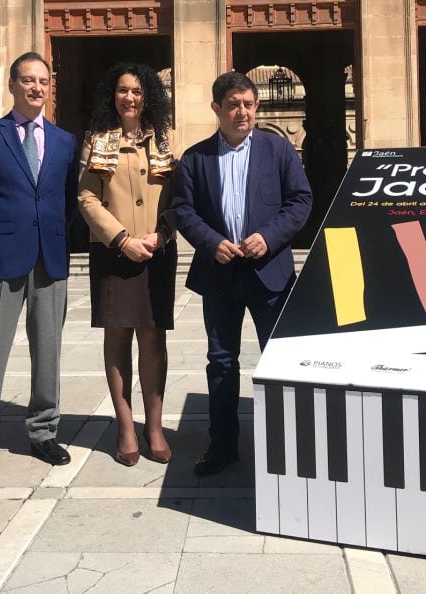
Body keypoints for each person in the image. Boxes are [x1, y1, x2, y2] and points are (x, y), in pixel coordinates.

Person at [170, 71, 312, 476]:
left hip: (270, 274)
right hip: (220, 275)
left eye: (249, 104)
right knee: (221, 362)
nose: (243, 111)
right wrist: (211, 242)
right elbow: (183, 210)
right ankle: (223, 446)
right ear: (217, 108)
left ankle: (288, 444)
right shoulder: (196, 159)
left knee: (280, 361)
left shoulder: (278, 150)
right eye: (234, 104)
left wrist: (269, 237)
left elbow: (300, 200)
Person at [0, 52, 80, 481]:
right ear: (12, 86)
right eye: (28, 80)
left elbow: (65, 201)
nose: (36, 88)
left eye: (43, 81)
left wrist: (51, 234)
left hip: (50, 257)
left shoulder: (65, 142)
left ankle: (44, 431)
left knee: (49, 350)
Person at [78, 63, 176, 467]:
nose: (130, 98)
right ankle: (124, 425)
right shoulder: (96, 142)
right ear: (112, 96)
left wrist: (162, 234)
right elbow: (86, 198)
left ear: (148, 95)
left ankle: (154, 426)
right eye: (123, 90)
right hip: (113, 253)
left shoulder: (166, 142)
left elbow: (180, 199)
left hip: (156, 252)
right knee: (117, 338)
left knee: (153, 340)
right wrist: (121, 239)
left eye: (137, 91)